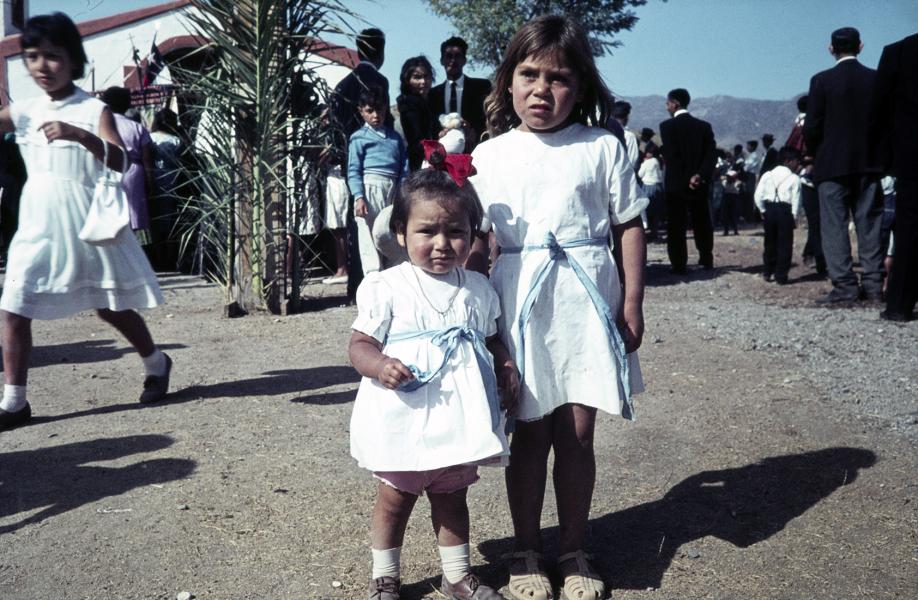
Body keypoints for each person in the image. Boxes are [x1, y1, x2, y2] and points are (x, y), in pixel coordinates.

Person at [468, 15, 647, 600]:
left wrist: (634, 301)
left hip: (586, 299)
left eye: (559, 78)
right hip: (518, 297)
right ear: (508, 81)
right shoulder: (488, 156)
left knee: (576, 431)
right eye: (529, 74)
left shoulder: (602, 146)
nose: (542, 90)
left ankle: (573, 549)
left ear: (582, 86)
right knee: (528, 430)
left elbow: (629, 227)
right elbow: (471, 242)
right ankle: (525, 551)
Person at [348, 165, 517, 600]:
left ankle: (457, 575)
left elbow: (492, 338)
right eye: (427, 231)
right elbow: (359, 344)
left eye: (456, 232)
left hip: (459, 415)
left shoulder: (477, 287)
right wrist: (379, 364)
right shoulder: (386, 286)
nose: (442, 244)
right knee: (395, 498)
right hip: (404, 413)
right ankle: (385, 575)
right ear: (401, 233)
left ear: (472, 233)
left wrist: (505, 366)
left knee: (452, 497)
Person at [0, 13, 171, 431]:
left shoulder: (93, 108)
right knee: (13, 307)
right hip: (37, 223)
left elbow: (121, 161)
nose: (42, 66)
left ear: (73, 60)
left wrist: (82, 136)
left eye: (53, 57)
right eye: (32, 56)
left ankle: (156, 361)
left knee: (108, 306)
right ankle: (14, 402)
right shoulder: (24, 110)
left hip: (83, 222)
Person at [803, 27, 884, 304]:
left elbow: (812, 127)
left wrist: (816, 154)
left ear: (831, 49)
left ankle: (845, 287)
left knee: (835, 226)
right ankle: (874, 286)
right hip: (869, 164)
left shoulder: (821, 81)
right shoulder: (876, 80)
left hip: (831, 164)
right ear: (860, 46)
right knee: (870, 224)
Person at [329, 27, 390, 300]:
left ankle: (356, 288)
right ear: (380, 51)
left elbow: (334, 127)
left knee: (356, 226)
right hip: (376, 164)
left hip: (350, 164)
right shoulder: (379, 81)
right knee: (378, 226)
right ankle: (377, 285)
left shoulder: (343, 85)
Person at [869, 32, 918, 322]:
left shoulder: (898, 52)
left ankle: (899, 304)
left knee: (910, 230)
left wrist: (883, 159)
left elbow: (879, 110)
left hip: (912, 157)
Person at [347, 85, 408, 276]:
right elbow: (353, 170)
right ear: (361, 111)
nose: (375, 115)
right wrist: (359, 196)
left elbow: (404, 168)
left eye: (379, 110)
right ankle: (373, 279)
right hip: (369, 189)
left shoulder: (395, 139)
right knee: (368, 234)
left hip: (392, 190)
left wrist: (402, 192)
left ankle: (394, 274)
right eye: (369, 111)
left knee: (390, 232)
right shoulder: (359, 138)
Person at [659, 87, 716, 273]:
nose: (667, 107)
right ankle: (706, 258)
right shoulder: (704, 127)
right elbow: (711, 156)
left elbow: (673, 158)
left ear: (675, 103)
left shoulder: (667, 127)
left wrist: (685, 179)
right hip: (699, 184)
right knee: (702, 221)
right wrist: (699, 175)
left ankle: (678, 263)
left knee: (676, 225)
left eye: (668, 103)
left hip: (676, 185)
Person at [101, 86, 155, 248]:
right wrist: (150, 182)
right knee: (136, 213)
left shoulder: (100, 126)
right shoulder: (137, 127)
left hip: (108, 170)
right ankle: (138, 249)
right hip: (134, 171)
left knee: (111, 210)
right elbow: (147, 159)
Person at [427, 36, 492, 149]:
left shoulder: (481, 87)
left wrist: (472, 131)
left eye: (457, 56)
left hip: (474, 149)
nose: (453, 61)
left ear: (464, 60)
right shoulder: (433, 94)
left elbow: (488, 119)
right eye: (449, 56)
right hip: (443, 151)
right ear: (442, 60)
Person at [754, 147, 802, 284]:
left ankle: (767, 272)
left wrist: (763, 210)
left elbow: (758, 196)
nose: (798, 164)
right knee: (785, 245)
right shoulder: (794, 178)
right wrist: (795, 217)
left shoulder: (767, 175)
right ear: (788, 161)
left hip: (769, 210)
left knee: (769, 243)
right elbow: (796, 201)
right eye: (796, 161)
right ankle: (781, 276)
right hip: (785, 212)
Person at [148, 108, 184, 271]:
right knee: (170, 222)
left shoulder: (150, 138)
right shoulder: (176, 140)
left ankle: (157, 259)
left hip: (152, 181)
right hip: (172, 182)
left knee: (153, 222)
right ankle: (170, 259)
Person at [396, 56, 436, 171]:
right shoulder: (409, 105)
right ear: (407, 80)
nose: (423, 82)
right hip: (414, 166)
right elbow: (416, 141)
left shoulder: (427, 103)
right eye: (417, 78)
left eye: (426, 77)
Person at [638, 146, 664, 239]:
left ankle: (648, 231)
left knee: (647, 209)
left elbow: (640, 174)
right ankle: (655, 231)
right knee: (655, 210)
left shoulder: (647, 162)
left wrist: (643, 163)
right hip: (657, 185)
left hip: (648, 185)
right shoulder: (657, 161)